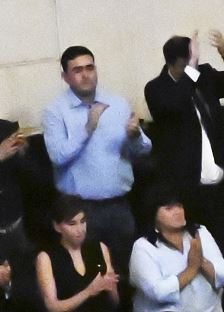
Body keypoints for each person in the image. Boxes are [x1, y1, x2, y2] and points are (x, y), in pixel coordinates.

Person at [42, 46, 153, 266]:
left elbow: (143, 149)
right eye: (77, 70)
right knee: (90, 273)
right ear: (65, 77)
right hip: (79, 213)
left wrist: (135, 136)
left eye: (90, 67)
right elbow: (58, 157)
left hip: (120, 206)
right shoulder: (55, 111)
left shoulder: (118, 103)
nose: (86, 74)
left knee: (128, 270)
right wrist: (87, 128)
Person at [142, 32, 224, 232]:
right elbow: (175, 102)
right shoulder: (156, 89)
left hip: (221, 178)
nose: (195, 67)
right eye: (190, 62)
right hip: (188, 187)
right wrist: (191, 71)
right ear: (175, 63)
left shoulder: (203, 75)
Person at [128, 189, 224, 312]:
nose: (177, 212)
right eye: (168, 209)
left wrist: (201, 262)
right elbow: (158, 292)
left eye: (179, 206)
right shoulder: (143, 247)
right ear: (153, 215)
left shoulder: (199, 232)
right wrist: (191, 269)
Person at [36, 193, 125, 312]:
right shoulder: (47, 257)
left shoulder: (99, 248)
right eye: (72, 224)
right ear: (57, 226)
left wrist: (112, 288)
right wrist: (89, 291)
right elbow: (53, 308)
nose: (80, 229)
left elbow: (115, 303)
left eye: (83, 222)